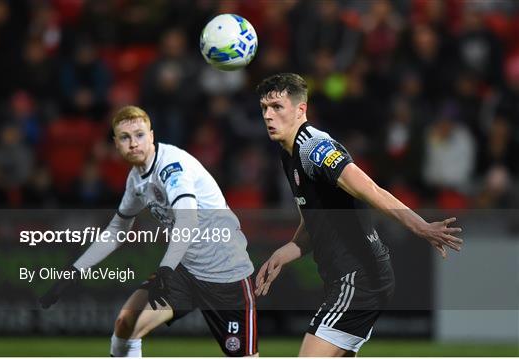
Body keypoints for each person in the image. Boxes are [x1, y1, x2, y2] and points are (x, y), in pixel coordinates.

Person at [254, 73, 462, 357]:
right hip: (354, 277)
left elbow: (371, 190)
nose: (268, 115)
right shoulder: (288, 152)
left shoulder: (314, 148)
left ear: (301, 109)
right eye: (264, 108)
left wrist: (420, 226)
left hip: (358, 278)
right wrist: (287, 251)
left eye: (277, 107)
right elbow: (314, 218)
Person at [38, 106, 258, 357]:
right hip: (184, 271)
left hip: (225, 272)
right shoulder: (136, 179)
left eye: (139, 135)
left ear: (152, 136)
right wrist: (74, 270)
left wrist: (165, 267)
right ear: (116, 144)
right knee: (126, 323)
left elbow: (187, 221)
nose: (133, 143)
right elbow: (118, 230)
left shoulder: (172, 166)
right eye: (125, 137)